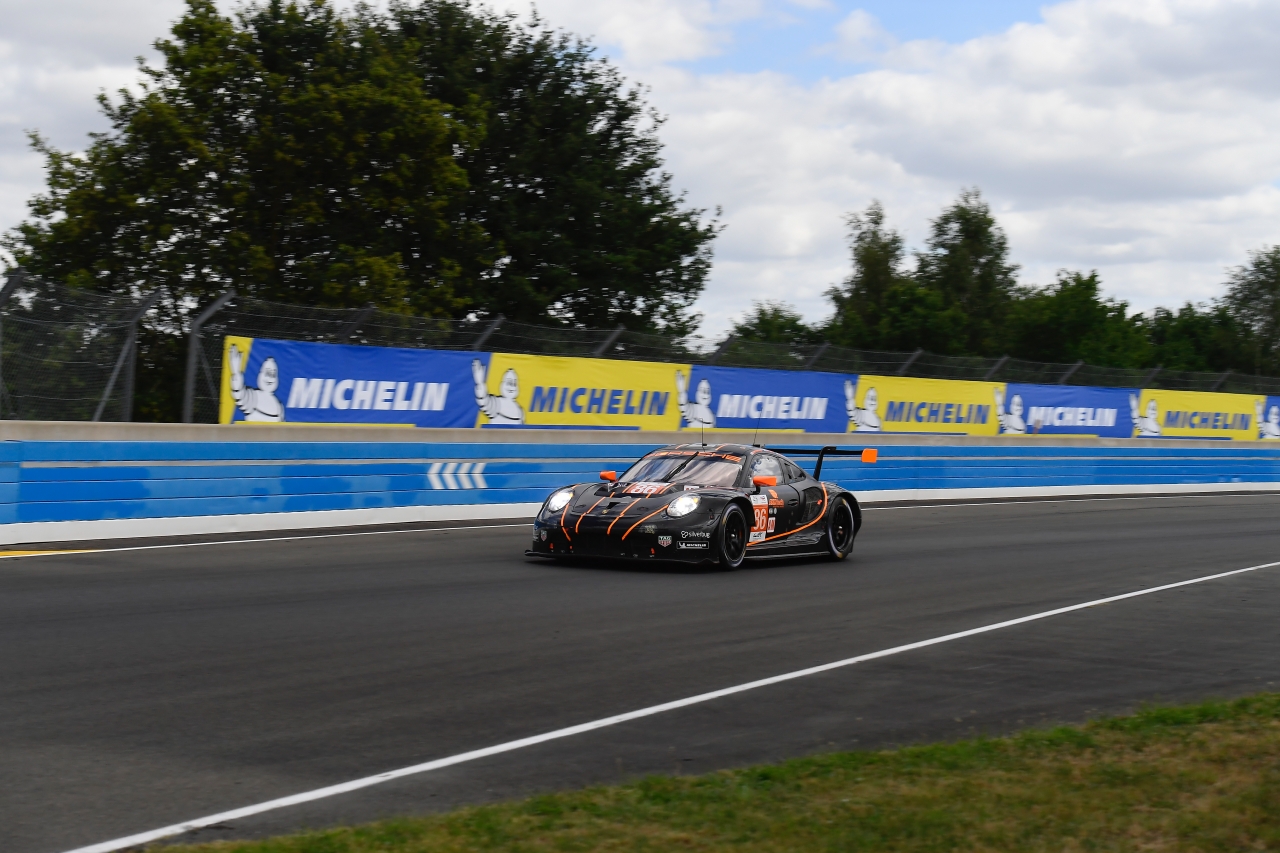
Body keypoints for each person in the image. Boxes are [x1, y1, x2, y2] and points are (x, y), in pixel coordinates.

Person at [228, 344, 284, 422]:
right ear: (260, 374)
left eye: (273, 374)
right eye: (267, 373)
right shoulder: (254, 396)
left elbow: (282, 424)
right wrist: (236, 372)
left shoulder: (279, 406)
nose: (270, 378)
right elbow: (239, 395)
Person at [473, 359, 524, 424]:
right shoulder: (498, 402)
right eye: (508, 382)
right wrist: (480, 383)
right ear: (502, 384)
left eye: (514, 383)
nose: (511, 386)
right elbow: (484, 401)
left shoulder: (520, 410)